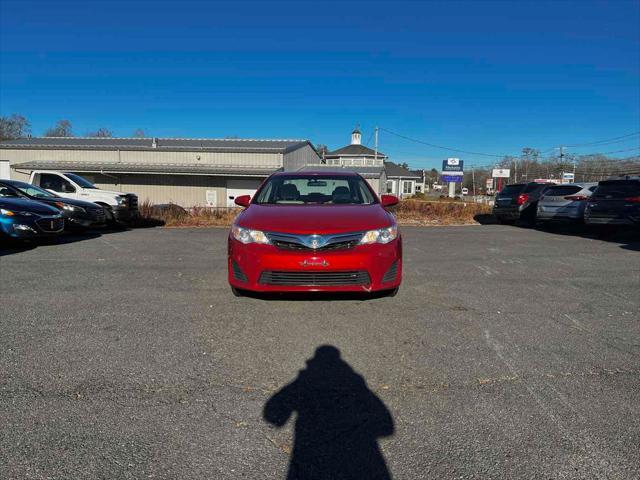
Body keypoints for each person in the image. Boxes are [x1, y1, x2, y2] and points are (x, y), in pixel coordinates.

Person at [264, 345, 394, 480]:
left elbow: (272, 414)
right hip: (356, 456)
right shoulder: (357, 384)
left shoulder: (304, 380)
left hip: (311, 451)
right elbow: (386, 427)